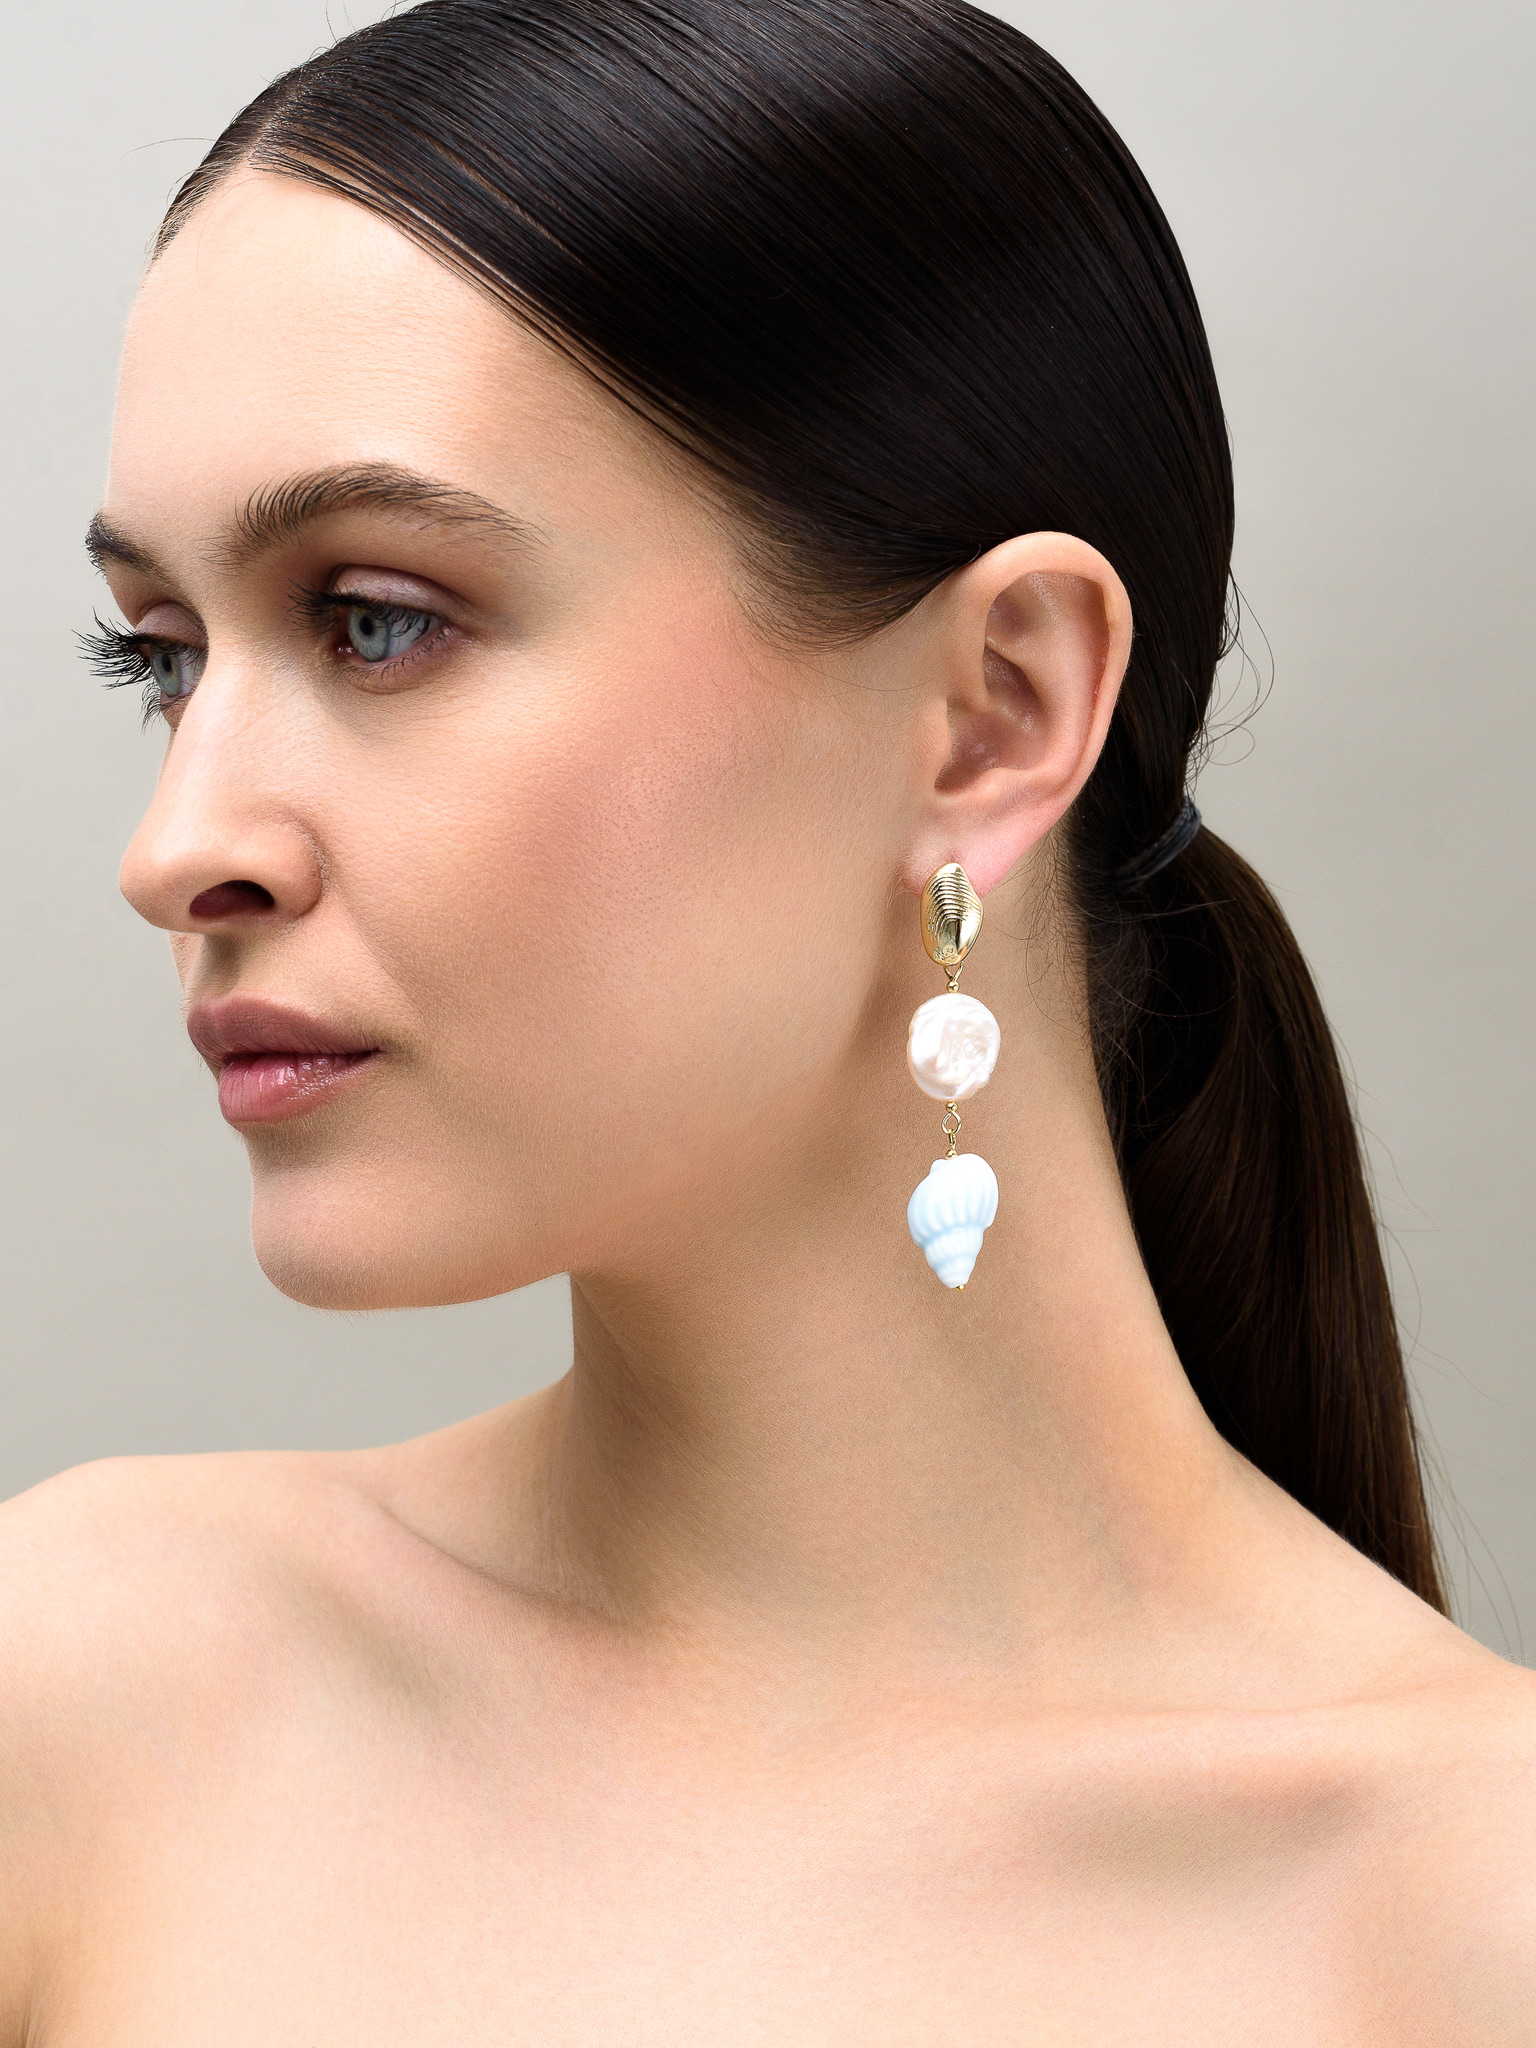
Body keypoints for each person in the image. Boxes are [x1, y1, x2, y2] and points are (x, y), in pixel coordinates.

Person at [3, 0, 1532, 2034]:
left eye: (379, 620)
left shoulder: (1464, 1924)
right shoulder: (85, 1704)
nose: (181, 846)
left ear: (992, 713)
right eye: (165, 658)